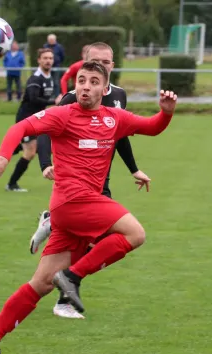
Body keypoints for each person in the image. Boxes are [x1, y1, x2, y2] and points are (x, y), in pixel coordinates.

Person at [0, 60, 177, 354]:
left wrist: (166, 112)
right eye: (81, 80)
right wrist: (3, 158)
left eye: (94, 81)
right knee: (136, 233)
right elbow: (21, 126)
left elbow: (152, 127)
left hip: (76, 211)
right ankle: (71, 277)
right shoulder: (62, 115)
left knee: (40, 284)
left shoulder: (114, 118)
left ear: (104, 87)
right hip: (71, 202)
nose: (85, 86)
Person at [30, 42, 151, 319]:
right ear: (84, 64)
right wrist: (46, 164)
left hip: (100, 178)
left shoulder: (119, 95)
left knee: (94, 244)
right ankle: (65, 298)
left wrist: (134, 169)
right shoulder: (74, 97)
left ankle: (65, 288)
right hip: (75, 183)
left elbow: (120, 134)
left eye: (107, 62)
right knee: (110, 238)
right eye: (96, 61)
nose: (103, 65)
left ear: (112, 66)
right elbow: (45, 129)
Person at [5, 48, 61, 192]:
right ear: (39, 60)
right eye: (45, 58)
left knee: (38, 147)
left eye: (50, 58)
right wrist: (53, 101)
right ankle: (12, 184)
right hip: (26, 119)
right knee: (30, 152)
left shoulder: (49, 77)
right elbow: (34, 98)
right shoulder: (35, 78)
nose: (48, 60)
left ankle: (16, 146)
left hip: (38, 120)